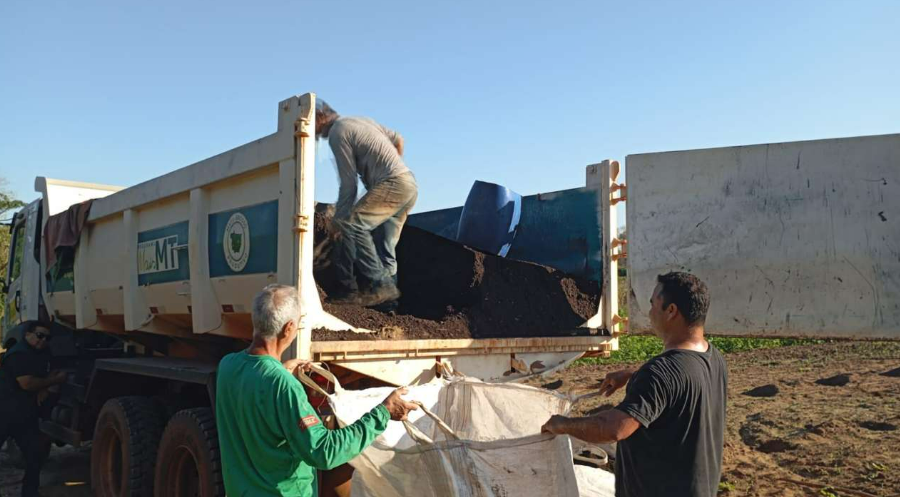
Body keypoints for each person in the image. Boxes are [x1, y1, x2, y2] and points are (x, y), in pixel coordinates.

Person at [216, 284, 419, 497]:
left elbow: (256, 391)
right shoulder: (283, 386)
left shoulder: (227, 366)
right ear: (288, 328)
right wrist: (383, 412)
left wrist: (280, 371)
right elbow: (323, 452)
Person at [541, 272, 726, 497]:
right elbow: (681, 382)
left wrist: (562, 425)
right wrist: (633, 374)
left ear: (671, 311)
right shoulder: (713, 357)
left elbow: (614, 428)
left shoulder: (660, 373)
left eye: (652, 304)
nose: (649, 313)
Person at [315, 100, 418, 307]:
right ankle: (388, 307)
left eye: (313, 128)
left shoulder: (338, 132)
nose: (315, 135)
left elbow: (349, 185)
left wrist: (338, 220)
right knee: (384, 247)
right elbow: (399, 139)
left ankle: (366, 288)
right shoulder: (362, 121)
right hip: (408, 185)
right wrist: (390, 167)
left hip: (393, 184)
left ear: (319, 118)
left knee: (351, 226)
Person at [0, 321, 67, 497]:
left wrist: (44, 386)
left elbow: (50, 371)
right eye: (39, 335)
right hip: (4, 412)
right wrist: (52, 382)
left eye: (47, 337)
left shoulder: (43, 352)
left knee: (35, 454)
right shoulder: (18, 354)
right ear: (28, 334)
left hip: (23, 416)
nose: (43, 340)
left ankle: (29, 492)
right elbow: (27, 383)